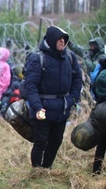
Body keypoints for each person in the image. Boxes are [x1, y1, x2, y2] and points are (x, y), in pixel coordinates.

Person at [24, 26, 82, 169]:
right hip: (42, 107)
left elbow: (77, 79)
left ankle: (47, 167)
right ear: (52, 39)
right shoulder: (37, 58)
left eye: (64, 39)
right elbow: (30, 85)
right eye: (59, 38)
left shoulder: (69, 57)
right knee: (41, 141)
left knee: (56, 141)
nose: (63, 41)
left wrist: (72, 99)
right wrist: (37, 107)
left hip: (62, 107)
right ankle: (37, 170)